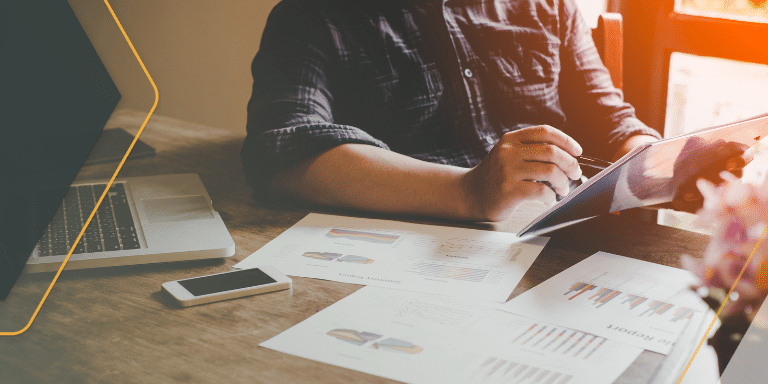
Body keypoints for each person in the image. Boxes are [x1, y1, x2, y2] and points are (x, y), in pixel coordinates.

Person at [242, 0, 690, 221]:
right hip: (402, 251)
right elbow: (283, 150)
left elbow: (611, 120)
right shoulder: (311, 16)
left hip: (556, 246)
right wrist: (470, 191)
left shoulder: (548, 5)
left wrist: (660, 164)